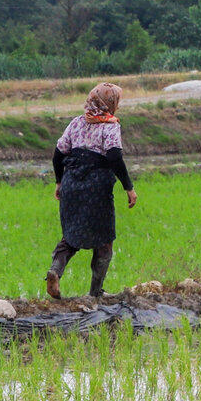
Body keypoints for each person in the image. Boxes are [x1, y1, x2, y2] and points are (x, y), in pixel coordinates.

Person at [45, 82, 137, 299]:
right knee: (104, 240)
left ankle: (55, 271)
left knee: (70, 236)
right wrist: (129, 187)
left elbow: (58, 156)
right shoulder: (110, 125)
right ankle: (95, 293)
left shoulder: (76, 123)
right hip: (96, 188)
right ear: (111, 104)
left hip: (71, 184)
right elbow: (114, 156)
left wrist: (60, 182)